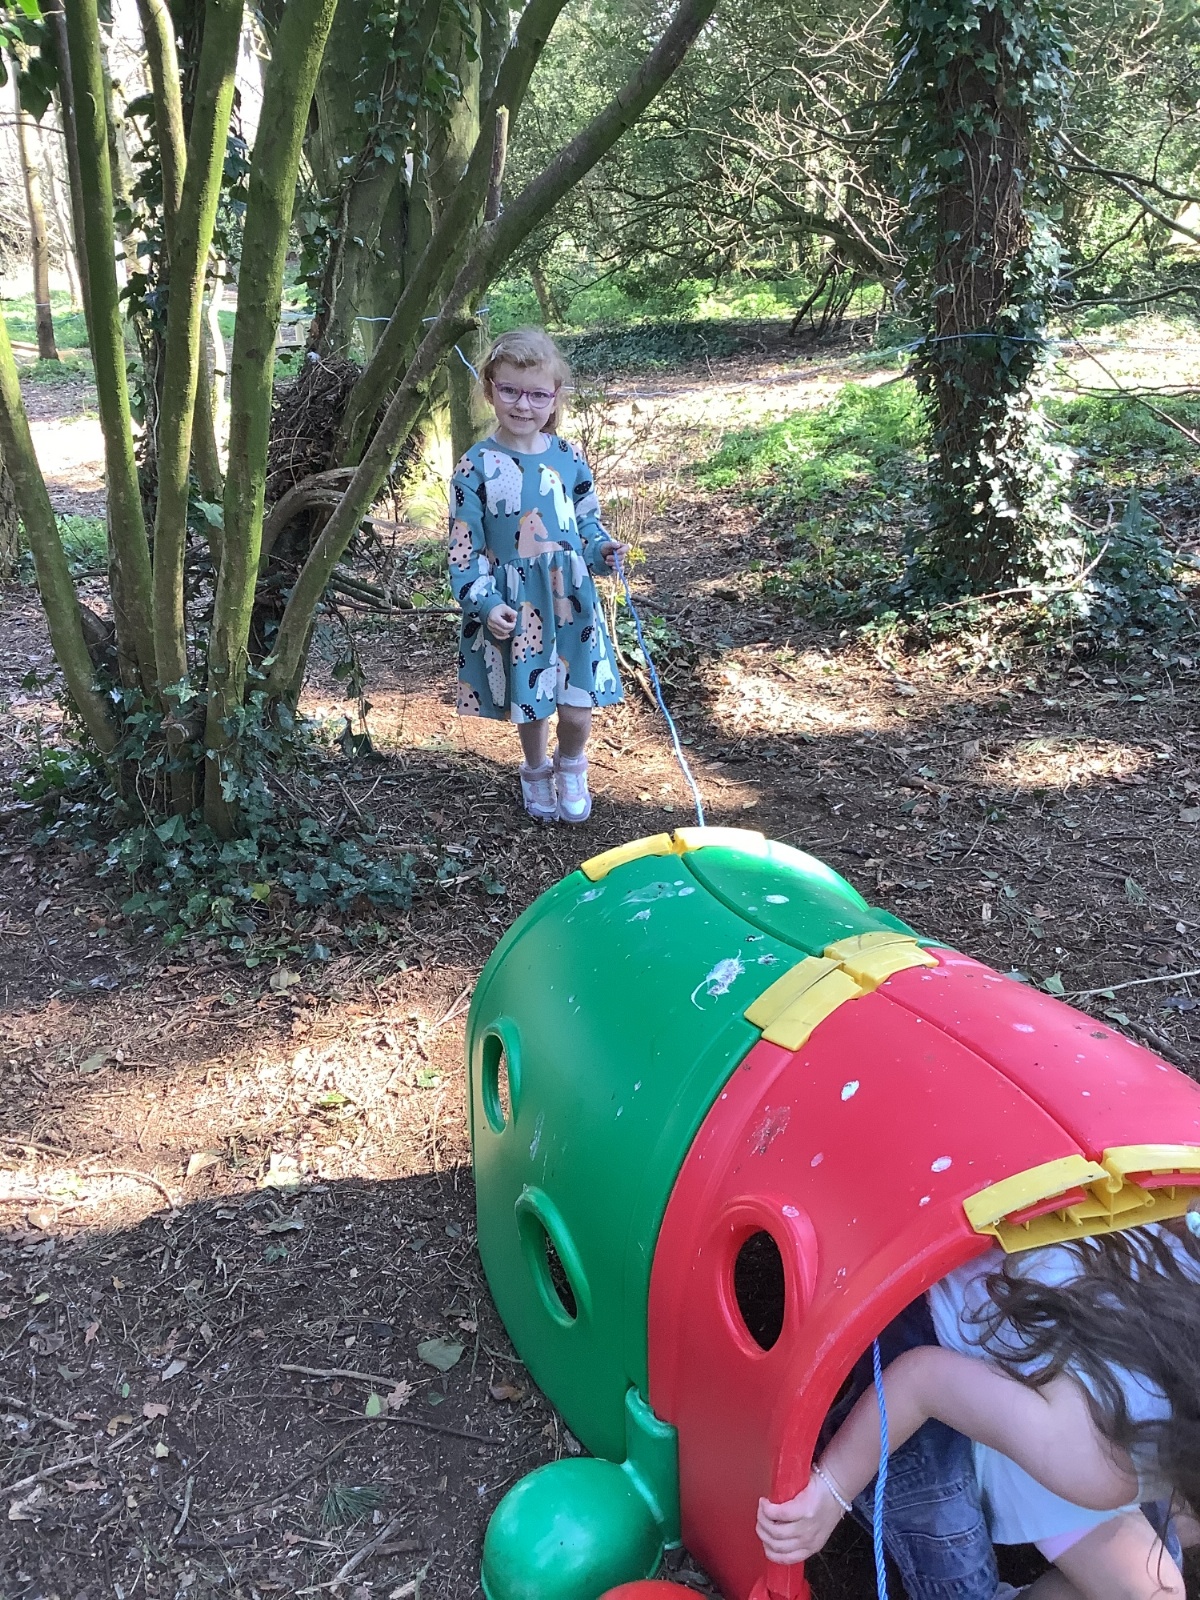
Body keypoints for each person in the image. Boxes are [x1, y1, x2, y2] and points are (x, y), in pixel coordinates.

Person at [758, 1221, 1200, 1600]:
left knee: (1155, 1587)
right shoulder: (1093, 1460)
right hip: (927, 1345)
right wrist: (831, 1491)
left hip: (1039, 1378)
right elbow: (921, 1381)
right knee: (957, 1579)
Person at [448, 327, 627, 823]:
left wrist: (602, 551)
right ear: (490, 390)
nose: (523, 404)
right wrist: (485, 602)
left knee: (576, 702)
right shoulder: (474, 466)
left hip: (571, 597)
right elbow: (464, 549)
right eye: (509, 390)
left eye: (537, 395)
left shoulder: (568, 457)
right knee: (533, 700)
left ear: (555, 397)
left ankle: (571, 764)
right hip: (517, 602)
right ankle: (534, 770)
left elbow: (587, 523)